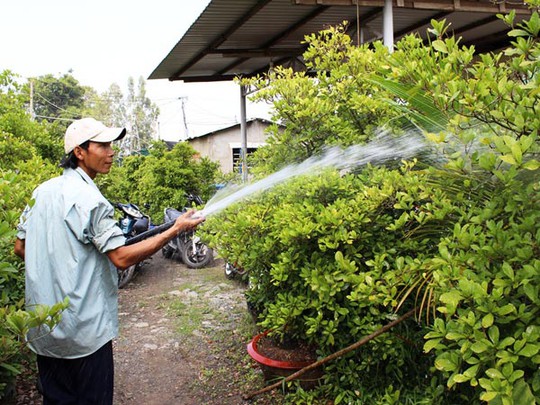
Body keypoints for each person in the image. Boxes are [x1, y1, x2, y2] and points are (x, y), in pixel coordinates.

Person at [13, 117, 205, 405]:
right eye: (102, 145)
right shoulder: (92, 200)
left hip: (45, 330)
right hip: (84, 333)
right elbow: (121, 257)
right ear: (80, 152)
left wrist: (59, 265)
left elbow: (20, 247)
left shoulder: (42, 192)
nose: (111, 151)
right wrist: (175, 230)